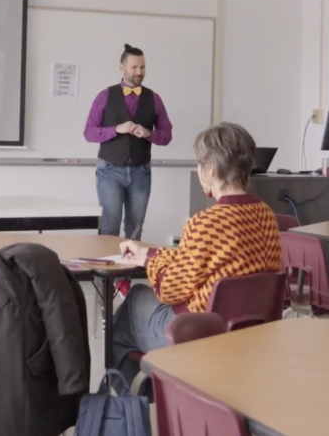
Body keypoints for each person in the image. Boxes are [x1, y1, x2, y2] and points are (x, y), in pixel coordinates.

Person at [111, 122, 280, 383]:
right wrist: (150, 254)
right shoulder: (266, 215)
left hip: (198, 335)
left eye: (200, 165)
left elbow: (170, 290)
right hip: (250, 334)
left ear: (210, 170)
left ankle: (134, 403)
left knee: (133, 302)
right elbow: (205, 263)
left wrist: (151, 262)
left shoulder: (205, 223)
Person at [83, 44, 173, 241]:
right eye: (134, 67)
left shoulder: (154, 99)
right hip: (110, 171)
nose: (139, 72)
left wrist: (149, 133)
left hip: (141, 172)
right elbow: (89, 133)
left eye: (142, 67)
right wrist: (116, 129)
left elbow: (167, 135)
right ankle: (105, 271)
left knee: (135, 231)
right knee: (109, 229)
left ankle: (127, 272)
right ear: (122, 68)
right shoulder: (105, 96)